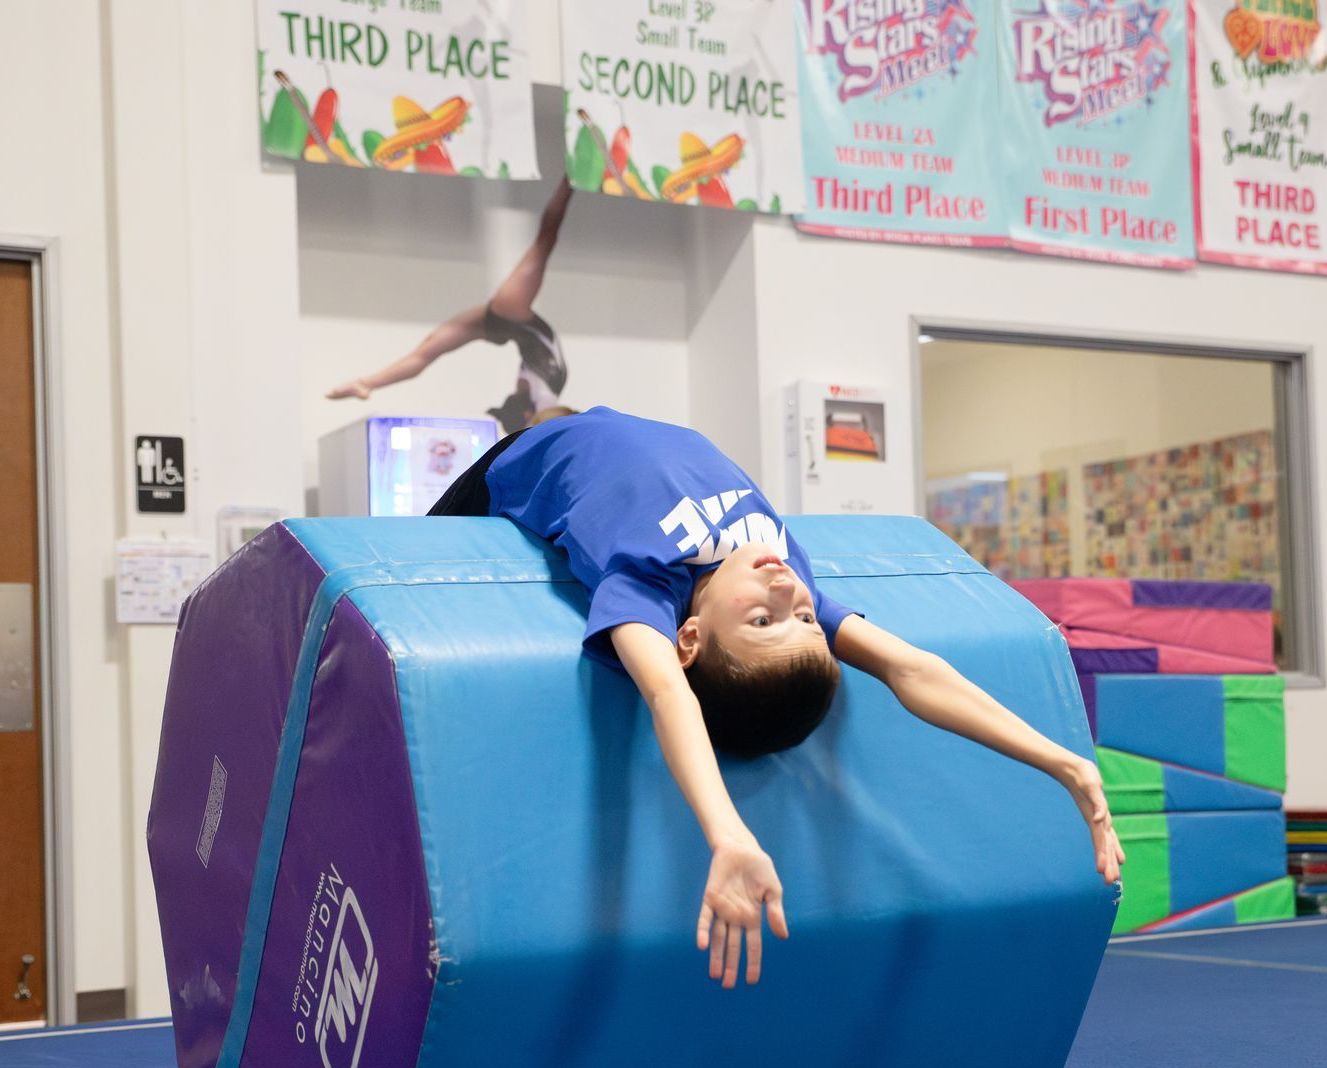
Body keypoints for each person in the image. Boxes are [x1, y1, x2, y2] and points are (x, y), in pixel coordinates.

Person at [431, 405, 1126, 990]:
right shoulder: (788, 582)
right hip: (610, 420)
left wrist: (726, 832)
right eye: (800, 622)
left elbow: (668, 696)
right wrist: (1063, 762)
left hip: (518, 464)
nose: (788, 596)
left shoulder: (641, 588)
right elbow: (913, 670)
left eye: (763, 622)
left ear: (691, 637)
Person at [327, 179, 573, 433]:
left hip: (506, 323)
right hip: (514, 318)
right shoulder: (544, 403)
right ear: (527, 415)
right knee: (545, 240)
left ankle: (365, 383)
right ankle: (568, 185)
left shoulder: (536, 396)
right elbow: (547, 425)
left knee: (424, 353)